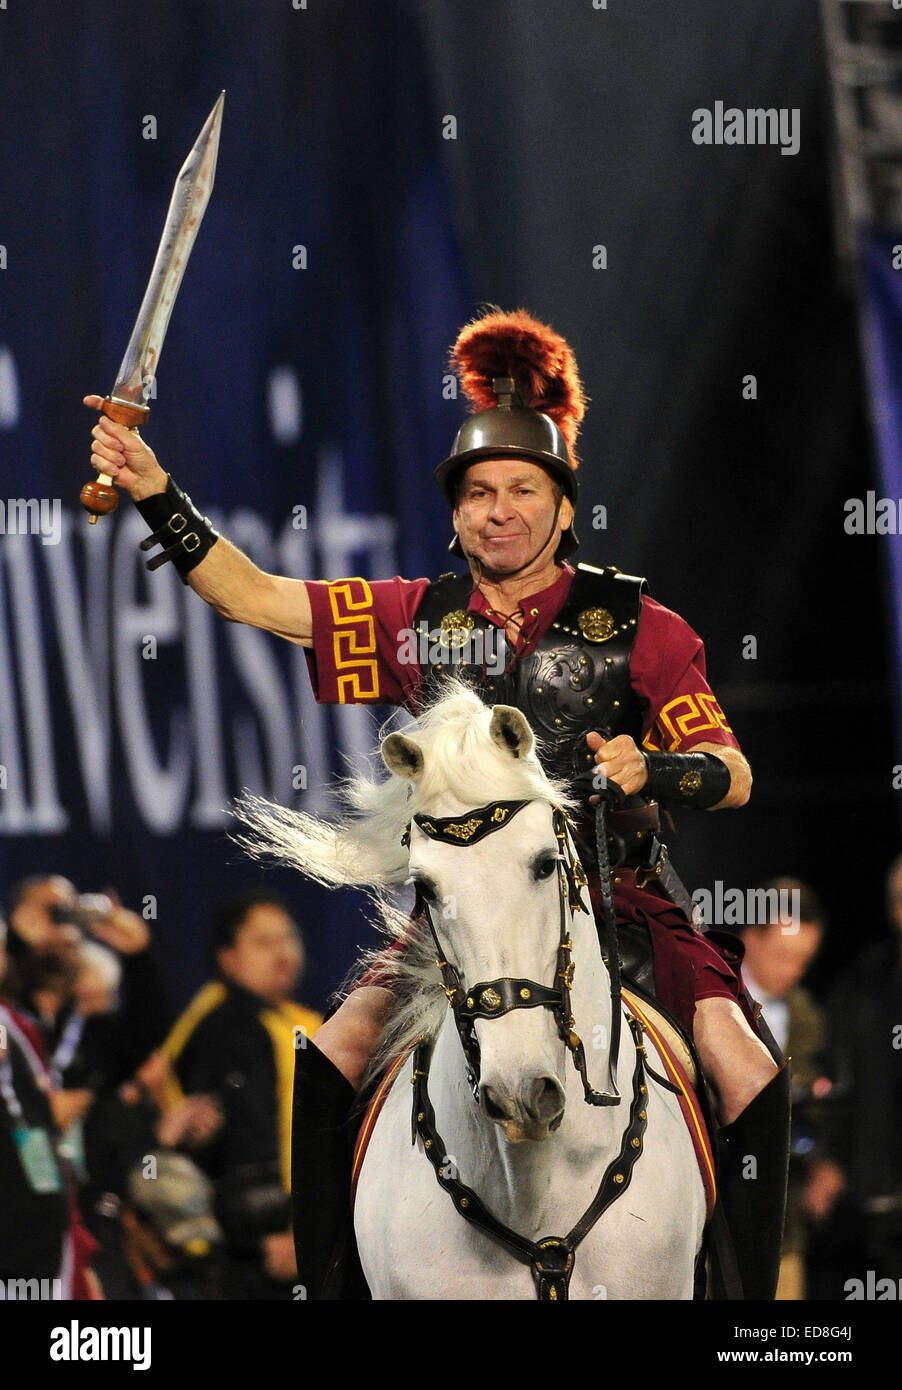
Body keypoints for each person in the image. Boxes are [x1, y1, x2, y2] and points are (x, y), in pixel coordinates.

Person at [85, 306, 789, 1299]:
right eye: (475, 494)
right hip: (455, 913)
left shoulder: (638, 625)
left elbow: (734, 767)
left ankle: (750, 1319)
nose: (495, 510)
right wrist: (159, 495)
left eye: (518, 490)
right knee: (328, 1057)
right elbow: (253, 596)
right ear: (454, 512)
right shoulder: (417, 619)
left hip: (620, 897)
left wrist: (656, 770)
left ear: (560, 504)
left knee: (743, 1064)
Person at [151, 891, 321, 1298]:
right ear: (227, 958)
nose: (283, 953)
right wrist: (262, 1242)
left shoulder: (299, 1022)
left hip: (296, 1243)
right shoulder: (223, 1027)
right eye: (263, 943)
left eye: (288, 939)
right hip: (249, 1264)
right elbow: (232, 1157)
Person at [739, 878, 829, 1299]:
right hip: (713, 1207)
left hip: (782, 1218)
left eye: (804, 962)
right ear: (750, 937)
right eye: (783, 956)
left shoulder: (807, 1013)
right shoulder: (708, 1000)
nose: (792, 971)